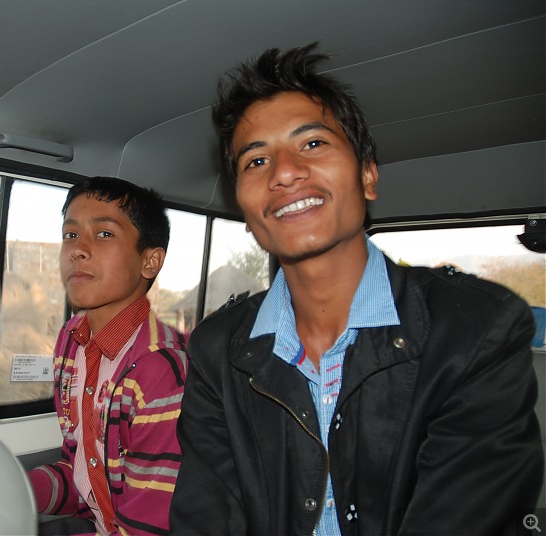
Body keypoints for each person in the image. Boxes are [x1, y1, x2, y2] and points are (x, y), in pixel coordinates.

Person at [169, 43, 543, 536]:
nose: (283, 171)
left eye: (313, 144)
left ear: (368, 175)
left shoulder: (477, 329)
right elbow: (207, 519)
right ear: (245, 209)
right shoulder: (217, 351)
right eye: (256, 161)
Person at [29, 176, 188, 536]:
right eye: (70, 234)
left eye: (103, 234)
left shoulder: (157, 368)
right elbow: (84, 472)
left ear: (150, 262)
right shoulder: (70, 342)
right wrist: (11, 487)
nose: (77, 250)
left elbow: (150, 524)